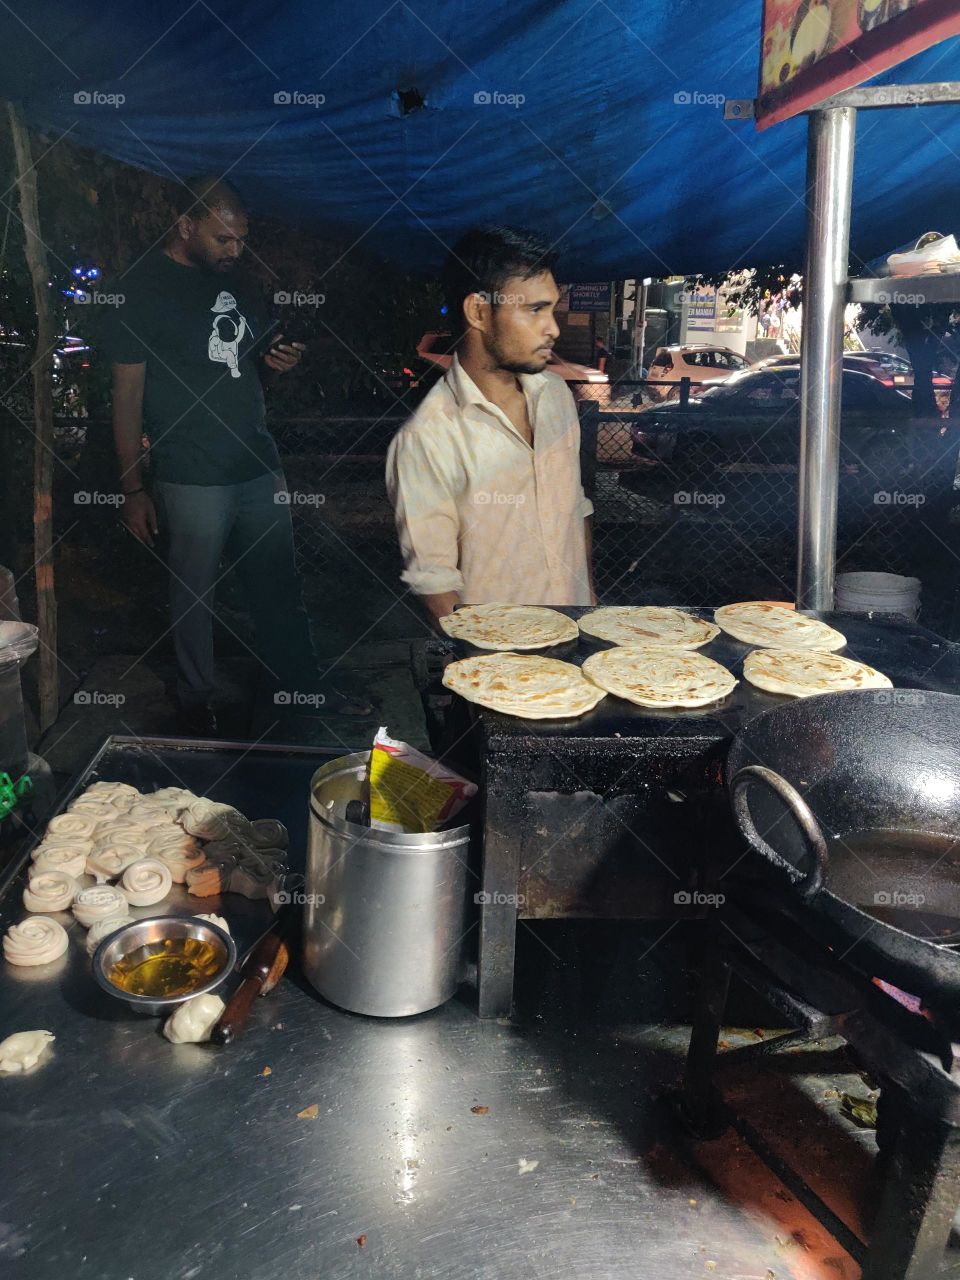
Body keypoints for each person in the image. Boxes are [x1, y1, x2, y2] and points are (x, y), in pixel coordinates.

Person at [104, 175, 369, 734]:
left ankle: (300, 689)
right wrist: (132, 488)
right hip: (190, 471)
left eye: (241, 241)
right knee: (195, 593)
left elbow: (250, 369)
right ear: (186, 226)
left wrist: (277, 360)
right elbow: (126, 395)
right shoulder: (142, 290)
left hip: (256, 462)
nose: (235, 251)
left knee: (278, 584)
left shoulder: (242, 285)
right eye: (224, 240)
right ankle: (196, 698)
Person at [386, 225, 596, 628]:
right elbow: (435, 586)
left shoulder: (556, 397)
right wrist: (501, 668)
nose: (552, 328)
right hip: (499, 671)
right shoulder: (427, 438)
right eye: (535, 309)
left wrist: (588, 603)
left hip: (574, 642)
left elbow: (577, 508)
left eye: (551, 309)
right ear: (479, 312)